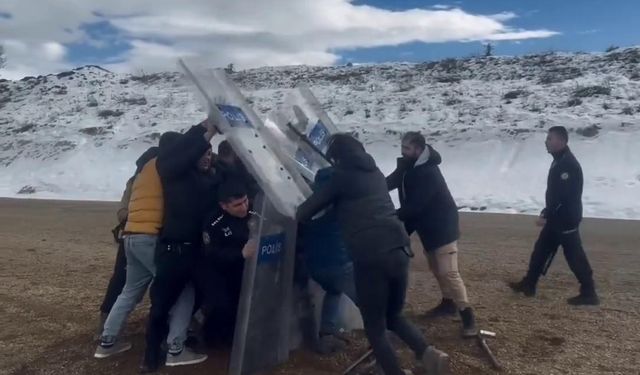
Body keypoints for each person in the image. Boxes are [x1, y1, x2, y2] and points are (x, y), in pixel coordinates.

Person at [296, 134, 449, 375]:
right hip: (399, 248)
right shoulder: (375, 172)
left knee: (374, 326)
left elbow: (304, 212)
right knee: (393, 315)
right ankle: (428, 353)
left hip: (371, 255)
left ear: (337, 156)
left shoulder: (340, 177)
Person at [94, 135, 198, 366]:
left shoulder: (143, 171)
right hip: (151, 238)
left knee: (130, 290)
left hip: (130, 237)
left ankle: (107, 342)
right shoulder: (165, 168)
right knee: (182, 290)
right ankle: (176, 348)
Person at [142, 120, 218, 372]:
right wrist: (203, 129)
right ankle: (151, 358)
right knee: (161, 306)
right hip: (174, 252)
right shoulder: (171, 171)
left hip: (195, 252)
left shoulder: (204, 178)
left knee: (215, 296)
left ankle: (186, 336)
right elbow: (186, 152)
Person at [386, 132, 477, 338]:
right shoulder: (408, 166)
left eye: (407, 148)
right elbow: (390, 182)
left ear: (418, 150)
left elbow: (416, 206)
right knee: (435, 268)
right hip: (427, 227)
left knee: (449, 272)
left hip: (442, 227)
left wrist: (391, 215)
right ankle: (447, 303)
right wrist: (371, 189)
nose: (403, 151)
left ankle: (468, 316)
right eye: (402, 147)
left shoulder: (428, 172)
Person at [509, 126, 599, 305]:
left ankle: (589, 292)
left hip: (566, 220)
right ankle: (529, 284)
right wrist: (547, 211)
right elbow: (555, 194)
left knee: (575, 256)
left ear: (561, 141)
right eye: (547, 138)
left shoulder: (568, 165)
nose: (546, 142)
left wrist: (547, 214)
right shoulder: (559, 160)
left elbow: (564, 197)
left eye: (550, 139)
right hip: (557, 218)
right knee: (540, 251)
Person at [96, 146, 158, 337]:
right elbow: (122, 212)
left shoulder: (137, 180)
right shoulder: (137, 182)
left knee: (126, 284)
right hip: (137, 235)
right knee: (122, 281)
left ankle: (108, 330)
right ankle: (106, 325)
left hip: (131, 236)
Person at [298, 166, 358, 355]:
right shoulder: (341, 206)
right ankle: (385, 338)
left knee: (334, 291)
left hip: (315, 267)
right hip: (339, 266)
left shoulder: (307, 205)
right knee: (368, 301)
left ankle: (327, 336)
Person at [198, 179, 258, 346]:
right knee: (222, 307)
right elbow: (211, 253)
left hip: (244, 271)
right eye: (238, 205)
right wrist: (240, 254)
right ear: (224, 206)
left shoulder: (254, 212)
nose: (244, 207)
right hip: (218, 272)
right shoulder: (214, 222)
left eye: (245, 201)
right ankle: (212, 340)